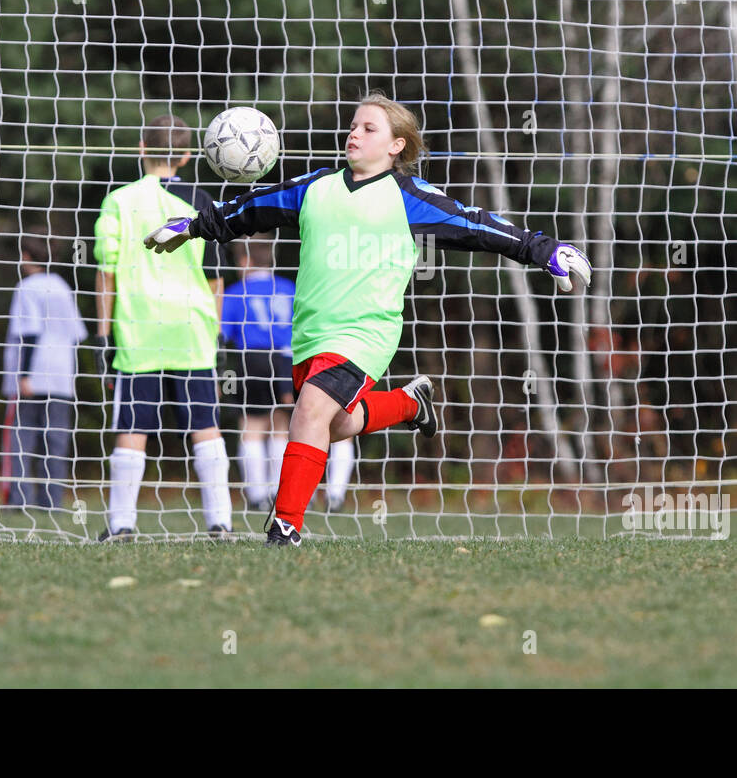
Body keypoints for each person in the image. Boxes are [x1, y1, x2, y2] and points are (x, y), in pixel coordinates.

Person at [145, 91, 591, 546]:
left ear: (397, 145)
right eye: (353, 126)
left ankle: (285, 526)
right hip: (312, 333)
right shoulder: (315, 186)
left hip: (366, 332)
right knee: (335, 425)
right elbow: (252, 208)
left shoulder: (410, 197)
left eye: (368, 128)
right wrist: (193, 226)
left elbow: (480, 225)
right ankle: (409, 403)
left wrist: (545, 249)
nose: (354, 133)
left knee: (309, 413)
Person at [92, 113, 232, 539]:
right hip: (192, 331)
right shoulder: (202, 200)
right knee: (204, 424)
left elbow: (107, 273)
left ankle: (121, 525)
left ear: (141, 148)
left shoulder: (119, 200)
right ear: (187, 156)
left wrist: (103, 334)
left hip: (138, 332)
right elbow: (215, 280)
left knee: (133, 425)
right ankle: (220, 521)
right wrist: (217, 332)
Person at [0, 233, 87, 510]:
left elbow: (30, 332)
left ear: (27, 256)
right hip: (61, 376)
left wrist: (24, 375)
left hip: (33, 375)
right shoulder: (62, 286)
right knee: (55, 440)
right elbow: (77, 333)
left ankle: (20, 500)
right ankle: (52, 502)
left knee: (22, 439)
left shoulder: (27, 287)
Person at [219, 234, 296, 510]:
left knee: (251, 428)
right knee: (281, 427)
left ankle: (255, 495)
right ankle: (280, 493)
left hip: (251, 359)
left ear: (244, 260)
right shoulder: (289, 288)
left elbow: (222, 334)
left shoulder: (235, 291)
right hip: (286, 359)